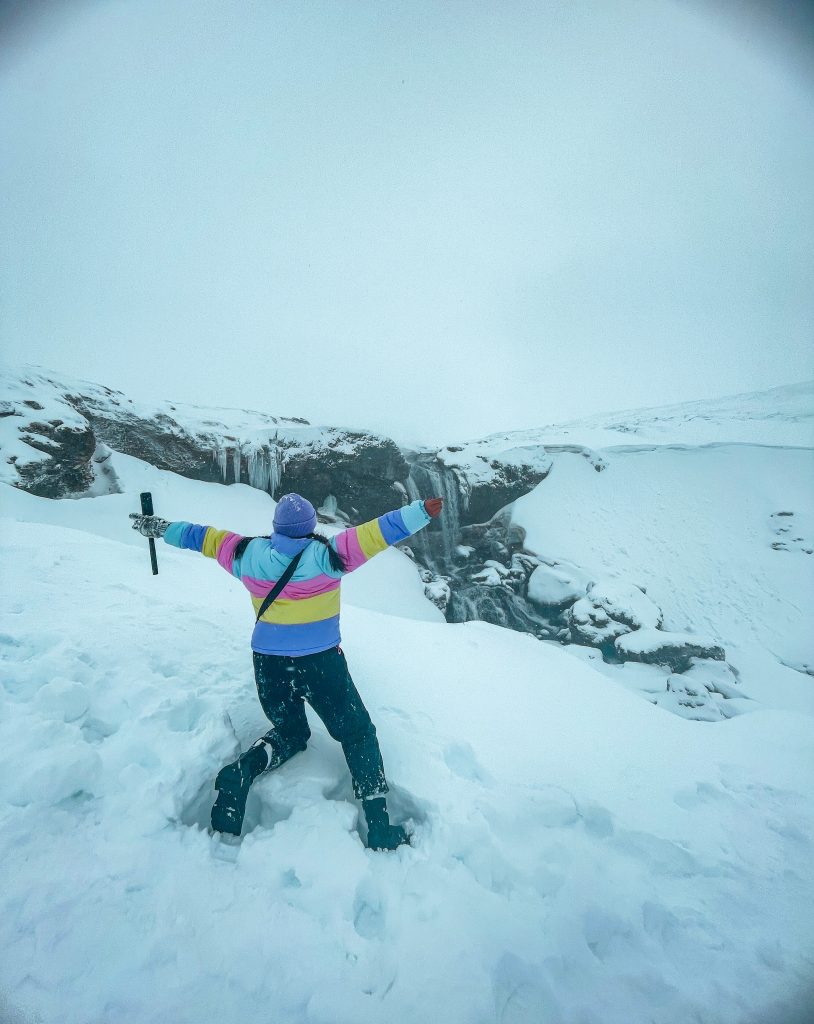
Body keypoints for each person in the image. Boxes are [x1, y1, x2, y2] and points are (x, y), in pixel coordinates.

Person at [130, 492, 443, 850]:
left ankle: (242, 771)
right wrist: (421, 511)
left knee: (292, 731)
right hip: (320, 664)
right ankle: (380, 828)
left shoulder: (245, 553)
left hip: (268, 662)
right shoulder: (329, 555)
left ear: (276, 527)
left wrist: (157, 527)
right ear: (311, 527)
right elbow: (379, 532)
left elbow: (198, 536)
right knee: (358, 734)